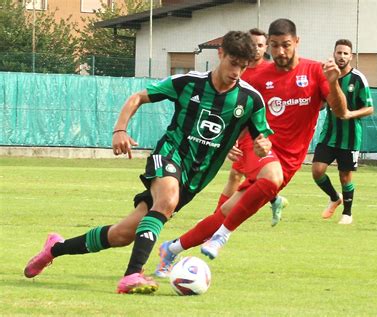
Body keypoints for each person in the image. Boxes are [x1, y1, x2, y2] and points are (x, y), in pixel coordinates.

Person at [23, 30, 274, 295]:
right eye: (233, 63)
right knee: (167, 200)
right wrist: (120, 129)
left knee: (122, 234)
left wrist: (262, 146)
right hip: (169, 154)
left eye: (244, 67)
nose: (237, 71)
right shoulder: (189, 82)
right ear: (221, 54)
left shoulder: (251, 100)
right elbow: (138, 97)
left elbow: (263, 138)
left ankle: (54, 248)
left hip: (195, 178)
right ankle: (132, 275)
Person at [154, 18, 348, 274]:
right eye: (275, 46)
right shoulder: (256, 74)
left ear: (297, 42)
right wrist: (229, 142)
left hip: (289, 161)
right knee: (268, 178)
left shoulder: (315, 72)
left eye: (286, 45)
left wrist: (333, 82)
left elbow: (341, 111)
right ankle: (221, 237)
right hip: (257, 147)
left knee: (226, 212)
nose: (279, 52)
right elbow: (230, 106)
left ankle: (172, 249)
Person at [214, 27, 288, 233]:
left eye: (260, 45)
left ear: (265, 49)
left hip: (258, 135)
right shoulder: (237, 69)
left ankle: (218, 218)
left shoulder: (271, 72)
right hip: (243, 132)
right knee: (237, 175)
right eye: (253, 44)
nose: (256, 49)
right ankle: (274, 199)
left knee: (242, 175)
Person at [312, 39, 374, 225]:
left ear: (351, 57)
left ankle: (347, 213)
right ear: (334, 54)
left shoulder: (358, 79)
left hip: (351, 137)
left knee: (345, 176)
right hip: (328, 134)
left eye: (345, 53)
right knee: (317, 171)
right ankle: (334, 197)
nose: (342, 56)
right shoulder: (327, 76)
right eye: (339, 53)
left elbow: (369, 108)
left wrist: (349, 114)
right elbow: (322, 102)